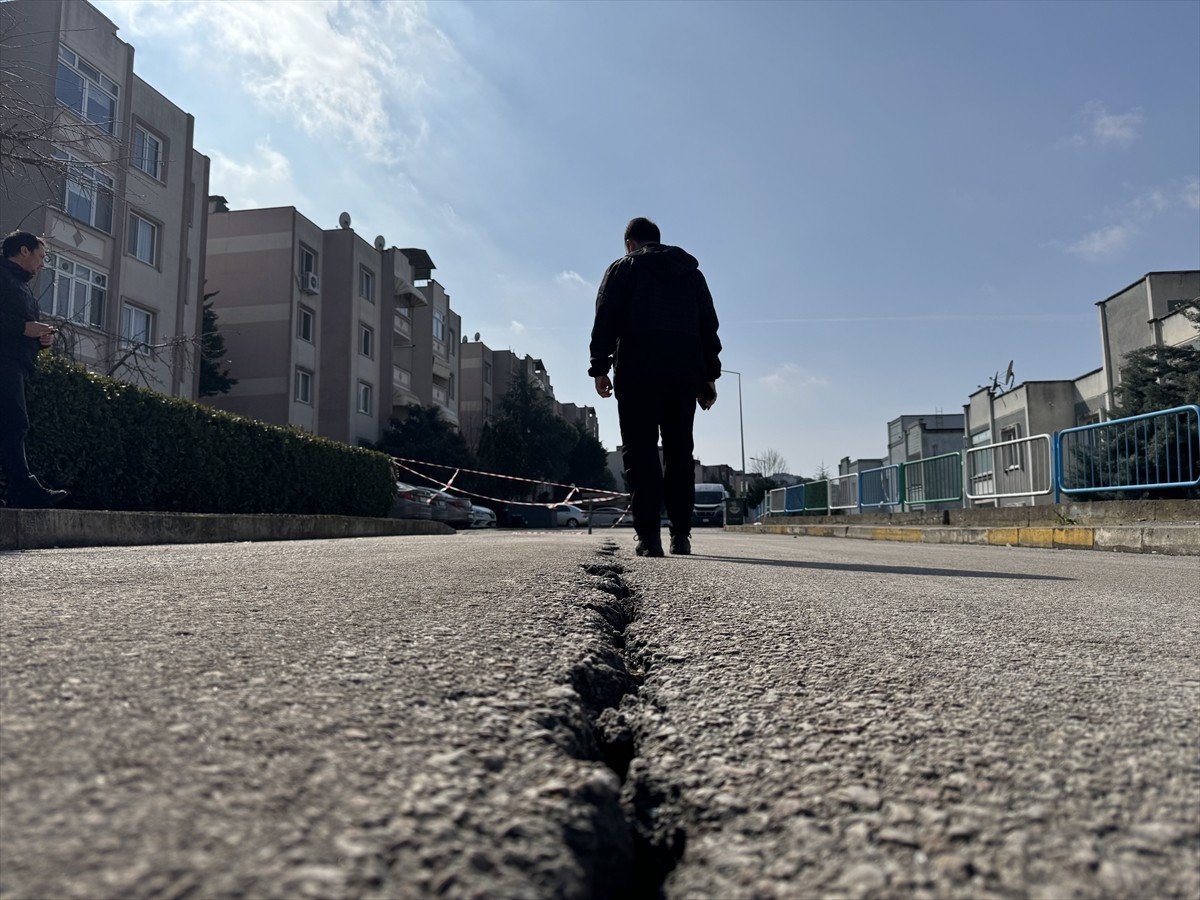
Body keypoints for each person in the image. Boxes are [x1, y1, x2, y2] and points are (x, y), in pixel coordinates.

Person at [588, 217, 721, 557]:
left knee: (641, 451)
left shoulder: (623, 269)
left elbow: (606, 318)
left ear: (630, 244)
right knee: (679, 453)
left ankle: (649, 538)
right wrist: (710, 376)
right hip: (683, 373)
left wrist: (600, 368)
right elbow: (708, 326)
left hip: (637, 371)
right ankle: (681, 536)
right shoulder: (691, 274)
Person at [0, 231, 68, 508]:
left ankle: (21, 488)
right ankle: (25, 488)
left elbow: (21, 327)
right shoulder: (3, 277)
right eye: (41, 257)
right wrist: (23, 328)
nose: (42, 264)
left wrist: (41, 340)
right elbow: (16, 325)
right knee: (14, 423)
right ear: (24, 251)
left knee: (11, 423)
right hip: (4, 360)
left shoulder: (20, 285)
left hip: (15, 362)